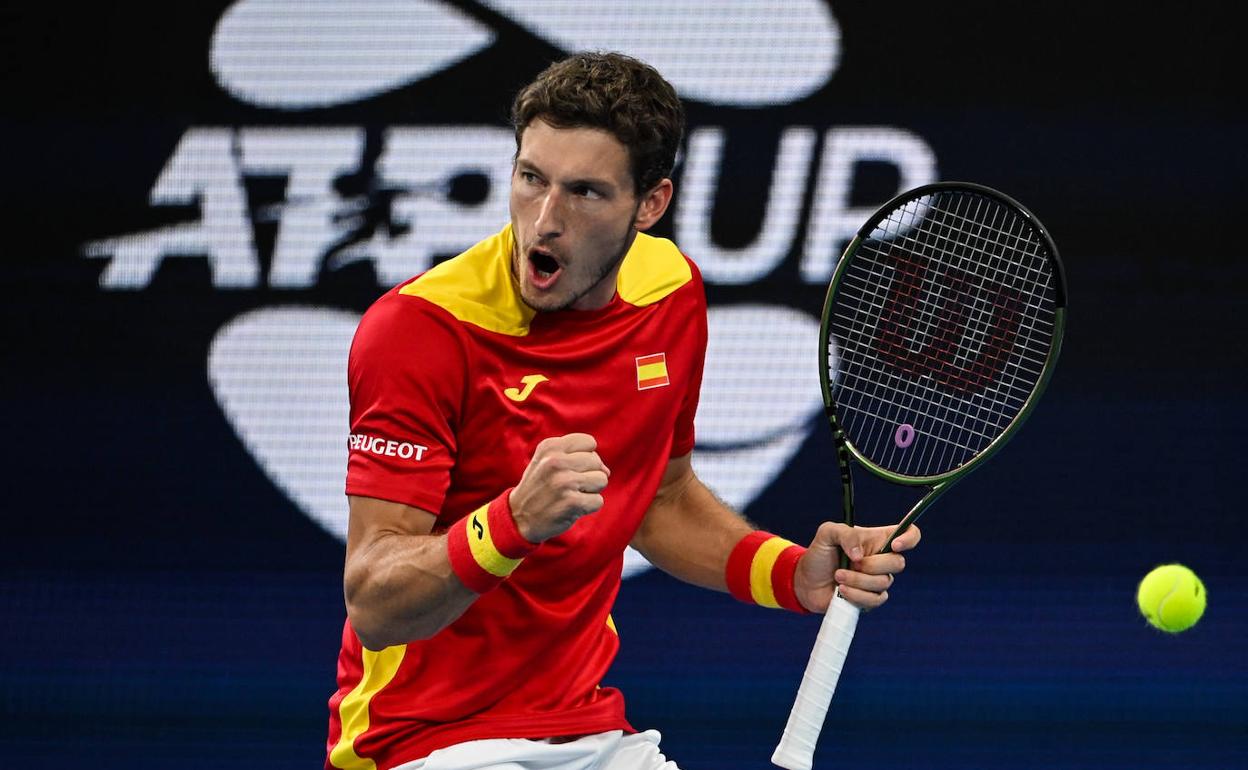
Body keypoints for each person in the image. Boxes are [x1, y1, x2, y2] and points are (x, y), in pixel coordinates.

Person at [325, 52, 920, 770]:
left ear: (651, 203)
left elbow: (659, 497)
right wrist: (509, 524)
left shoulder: (668, 295)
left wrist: (789, 574)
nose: (544, 222)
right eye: (530, 178)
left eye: (584, 193)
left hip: (589, 733)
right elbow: (375, 603)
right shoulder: (422, 329)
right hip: (425, 741)